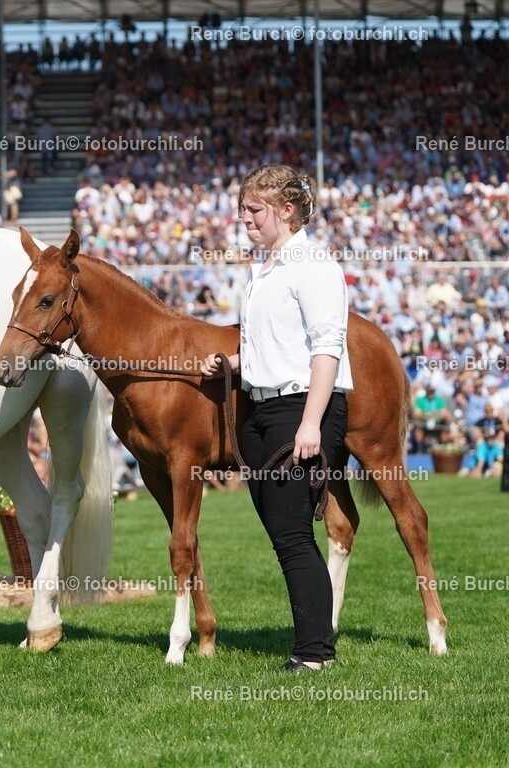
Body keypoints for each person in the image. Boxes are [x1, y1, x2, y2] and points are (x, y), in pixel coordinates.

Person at [203, 165, 352, 673]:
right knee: (284, 535)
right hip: (261, 410)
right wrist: (232, 363)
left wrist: (311, 424)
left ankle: (314, 654)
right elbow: (274, 343)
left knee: (292, 536)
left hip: (302, 409)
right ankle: (313, 644)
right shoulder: (263, 268)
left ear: (286, 211)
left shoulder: (313, 264)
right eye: (242, 209)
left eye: (254, 209)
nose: (244, 218)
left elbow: (327, 347)